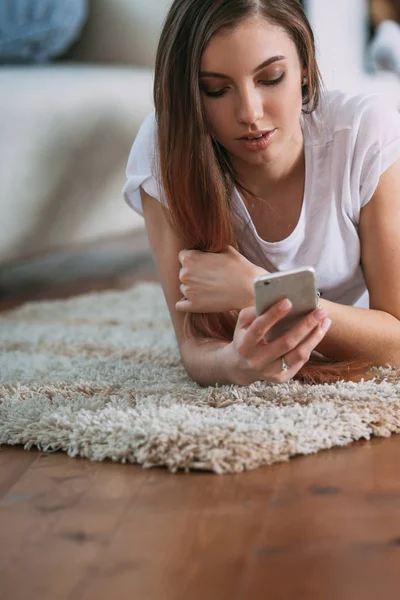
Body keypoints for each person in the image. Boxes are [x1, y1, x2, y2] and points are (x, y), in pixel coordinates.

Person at [123, 0, 400, 386]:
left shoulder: (364, 133)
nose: (250, 113)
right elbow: (194, 345)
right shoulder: (165, 147)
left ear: (304, 66)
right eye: (216, 90)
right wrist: (233, 363)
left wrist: (260, 290)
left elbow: (395, 342)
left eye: (270, 78)